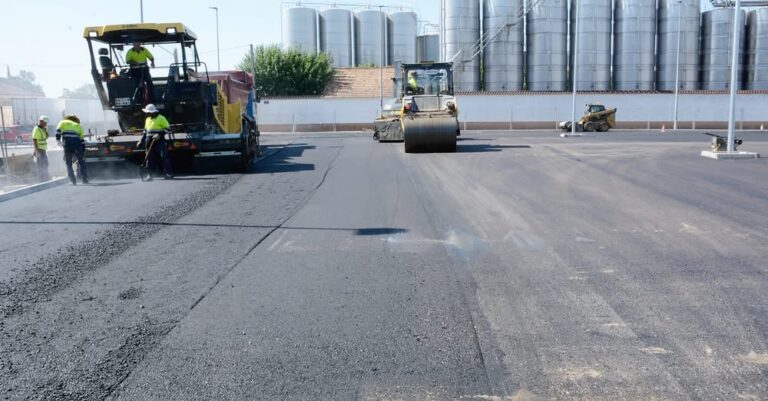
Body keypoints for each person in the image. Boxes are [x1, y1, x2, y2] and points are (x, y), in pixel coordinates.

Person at [139, 104, 172, 180]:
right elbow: (145, 131)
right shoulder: (147, 119)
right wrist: (141, 140)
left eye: (148, 112)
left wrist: (159, 134)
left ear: (152, 112)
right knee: (149, 159)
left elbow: (168, 129)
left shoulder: (161, 118)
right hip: (149, 142)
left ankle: (169, 174)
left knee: (164, 157)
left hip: (159, 141)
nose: (147, 113)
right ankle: (150, 175)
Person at [55, 115, 88, 185]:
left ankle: (73, 180)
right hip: (77, 144)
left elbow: (58, 131)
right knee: (81, 162)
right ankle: (85, 179)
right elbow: (82, 140)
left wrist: (58, 140)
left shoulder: (62, 122)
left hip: (67, 144)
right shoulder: (78, 125)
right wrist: (83, 149)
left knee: (68, 163)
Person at [31, 116, 50, 182]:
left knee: (45, 164)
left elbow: (46, 137)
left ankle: (45, 178)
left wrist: (46, 131)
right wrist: (37, 151)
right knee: (40, 165)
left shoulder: (42, 129)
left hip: (43, 150)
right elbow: (34, 140)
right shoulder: (36, 129)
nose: (46, 124)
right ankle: (41, 180)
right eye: (45, 123)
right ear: (41, 121)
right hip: (39, 150)